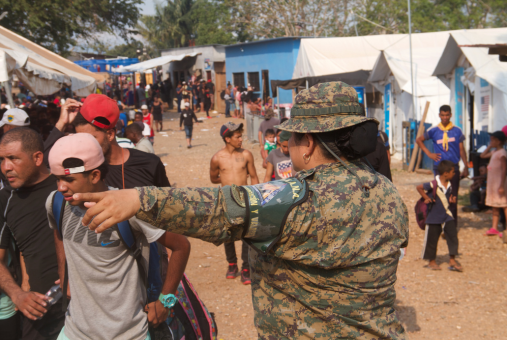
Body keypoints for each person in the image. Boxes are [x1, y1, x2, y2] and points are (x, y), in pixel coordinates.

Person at [73, 82, 409, 339]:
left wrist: (141, 200)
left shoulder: (296, 197)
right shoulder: (386, 192)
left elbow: (222, 207)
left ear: (308, 143)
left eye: (291, 138)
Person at [47, 133, 190, 340]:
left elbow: (181, 246)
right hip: (74, 332)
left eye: (68, 179)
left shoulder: (129, 207)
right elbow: (58, 233)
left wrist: (165, 301)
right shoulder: (56, 203)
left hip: (128, 334)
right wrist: (64, 275)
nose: (61, 187)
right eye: (57, 179)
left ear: (95, 176)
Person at [0, 128, 65, 339]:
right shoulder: (4, 200)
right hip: (40, 310)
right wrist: (18, 294)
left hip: (85, 305)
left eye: (13, 158)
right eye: (1, 159)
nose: (5, 167)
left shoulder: (66, 186)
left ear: (38, 157)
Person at [210, 122, 259, 284]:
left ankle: (246, 267)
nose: (241, 139)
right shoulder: (217, 158)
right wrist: (225, 182)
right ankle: (232, 264)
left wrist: (255, 196)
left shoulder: (246, 155)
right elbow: (213, 178)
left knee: (246, 234)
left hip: (245, 199)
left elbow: (253, 176)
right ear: (227, 139)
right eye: (237, 137)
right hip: (226, 200)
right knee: (228, 233)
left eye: (241, 136)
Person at [416, 105, 468, 222]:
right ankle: (441, 221)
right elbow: (419, 140)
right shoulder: (434, 131)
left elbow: (461, 150)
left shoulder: (457, 131)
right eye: (442, 115)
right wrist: (429, 154)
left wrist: (466, 166)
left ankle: (452, 224)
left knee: (453, 195)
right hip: (439, 168)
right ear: (439, 115)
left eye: (447, 115)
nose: (445, 118)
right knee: (440, 194)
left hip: (453, 168)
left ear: (450, 115)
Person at [416, 160, 461, 271]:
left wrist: (451, 199)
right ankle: (431, 261)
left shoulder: (449, 185)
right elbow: (419, 187)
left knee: (453, 236)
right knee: (432, 240)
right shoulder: (433, 184)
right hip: (434, 216)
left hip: (446, 215)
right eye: (452, 172)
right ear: (446, 173)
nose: (454, 174)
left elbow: (446, 197)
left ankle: (452, 260)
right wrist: (426, 197)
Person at [480, 131, 507, 237]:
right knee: (495, 205)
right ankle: (494, 228)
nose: (490, 142)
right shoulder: (494, 151)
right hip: (493, 184)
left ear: (498, 141)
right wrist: (489, 146)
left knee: (504, 205)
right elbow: (482, 155)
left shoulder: (502, 154)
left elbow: (504, 169)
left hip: (499, 184)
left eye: (492, 140)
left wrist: (501, 185)